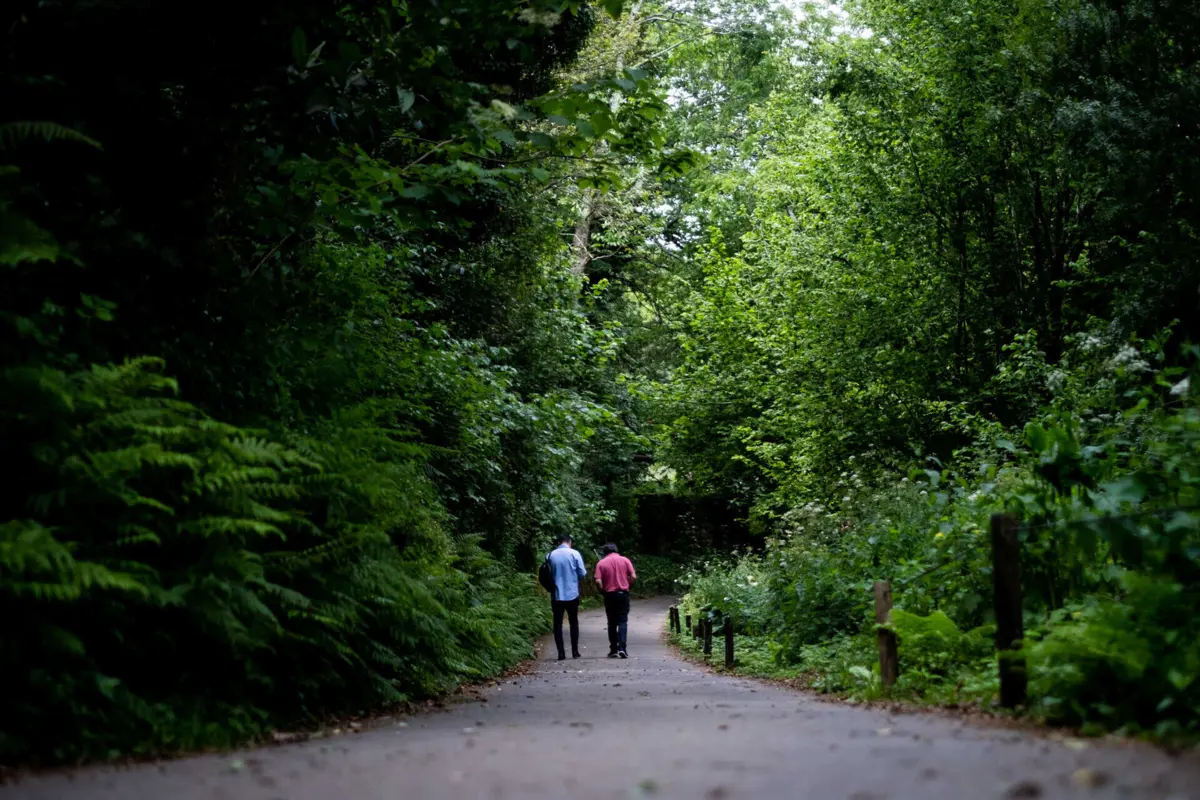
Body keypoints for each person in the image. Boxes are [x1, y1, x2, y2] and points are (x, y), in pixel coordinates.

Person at [547, 534, 587, 660]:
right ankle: (575, 651)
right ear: (570, 542)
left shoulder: (550, 555)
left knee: (557, 623)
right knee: (573, 622)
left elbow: (547, 574)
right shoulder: (575, 554)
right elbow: (582, 573)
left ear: (559, 542)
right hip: (572, 593)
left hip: (557, 595)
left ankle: (561, 653)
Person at [594, 543, 636, 658]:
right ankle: (622, 648)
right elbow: (633, 577)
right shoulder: (625, 560)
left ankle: (613, 649)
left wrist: (602, 591)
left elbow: (598, 581)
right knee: (623, 621)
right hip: (623, 594)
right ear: (616, 550)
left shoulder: (601, 563)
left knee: (611, 623)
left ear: (605, 552)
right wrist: (628, 586)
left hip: (609, 595)